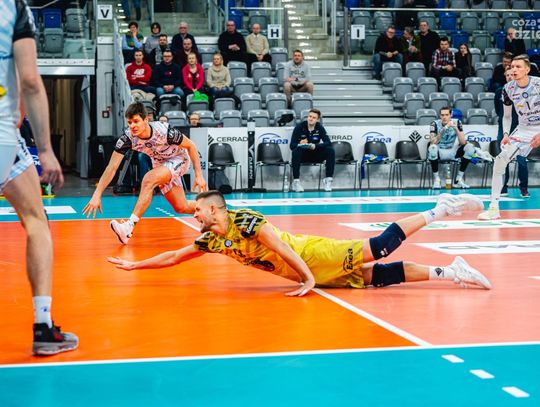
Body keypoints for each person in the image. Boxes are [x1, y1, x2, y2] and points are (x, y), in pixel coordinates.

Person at [108, 190, 492, 296]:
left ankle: (439, 209)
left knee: (379, 248)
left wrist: (307, 278)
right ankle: (451, 271)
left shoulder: (246, 221)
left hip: (310, 255)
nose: (194, 215)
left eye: (197, 211)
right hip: (303, 273)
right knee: (378, 277)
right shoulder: (212, 239)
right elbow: (175, 257)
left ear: (213, 209)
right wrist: (135, 265)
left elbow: (283, 249)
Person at [0, 0, 77, 355]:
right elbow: (30, 81)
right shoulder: (13, 8)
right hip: (3, 138)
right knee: (36, 221)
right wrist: (45, 149)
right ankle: (43, 326)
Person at [83, 102, 207, 244]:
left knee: (148, 179)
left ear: (146, 120)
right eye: (129, 122)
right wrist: (97, 194)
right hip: (160, 164)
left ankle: (129, 227)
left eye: (136, 121)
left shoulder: (165, 132)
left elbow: (191, 146)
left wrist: (199, 175)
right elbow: (111, 167)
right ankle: (212, 211)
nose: (132, 126)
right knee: (181, 207)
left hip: (178, 159)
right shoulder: (127, 139)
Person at [479, 55, 540, 220]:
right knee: (500, 161)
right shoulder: (508, 89)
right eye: (512, 66)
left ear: (527, 70)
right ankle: (493, 208)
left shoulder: (538, 84)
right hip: (523, 129)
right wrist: (506, 133)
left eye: (518, 67)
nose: (514, 69)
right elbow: (506, 116)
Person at [428, 106, 492, 189]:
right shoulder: (434, 123)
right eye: (442, 115)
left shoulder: (457, 122)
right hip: (439, 151)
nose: (444, 117)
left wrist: (456, 129)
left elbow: (462, 142)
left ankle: (458, 179)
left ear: (451, 115)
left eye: (446, 115)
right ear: (440, 116)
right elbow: (433, 142)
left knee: (470, 147)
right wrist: (444, 128)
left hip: (452, 151)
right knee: (432, 148)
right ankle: (437, 180)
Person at [494, 68, 528, 198]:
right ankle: (503, 187)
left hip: (520, 128)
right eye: (507, 75)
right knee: (504, 157)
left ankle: (524, 188)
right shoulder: (500, 92)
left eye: (511, 75)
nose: (509, 77)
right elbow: (499, 111)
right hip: (504, 129)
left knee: (522, 159)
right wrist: (505, 128)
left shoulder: (523, 92)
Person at [289, 109, 335, 192]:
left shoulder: (319, 127)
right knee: (296, 151)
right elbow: (292, 145)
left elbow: (328, 143)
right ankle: (296, 182)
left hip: (316, 155)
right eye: (310, 116)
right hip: (303, 156)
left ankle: (328, 180)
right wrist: (300, 143)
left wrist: (316, 146)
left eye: (314, 117)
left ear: (317, 119)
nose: (311, 119)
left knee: (330, 150)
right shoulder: (299, 127)